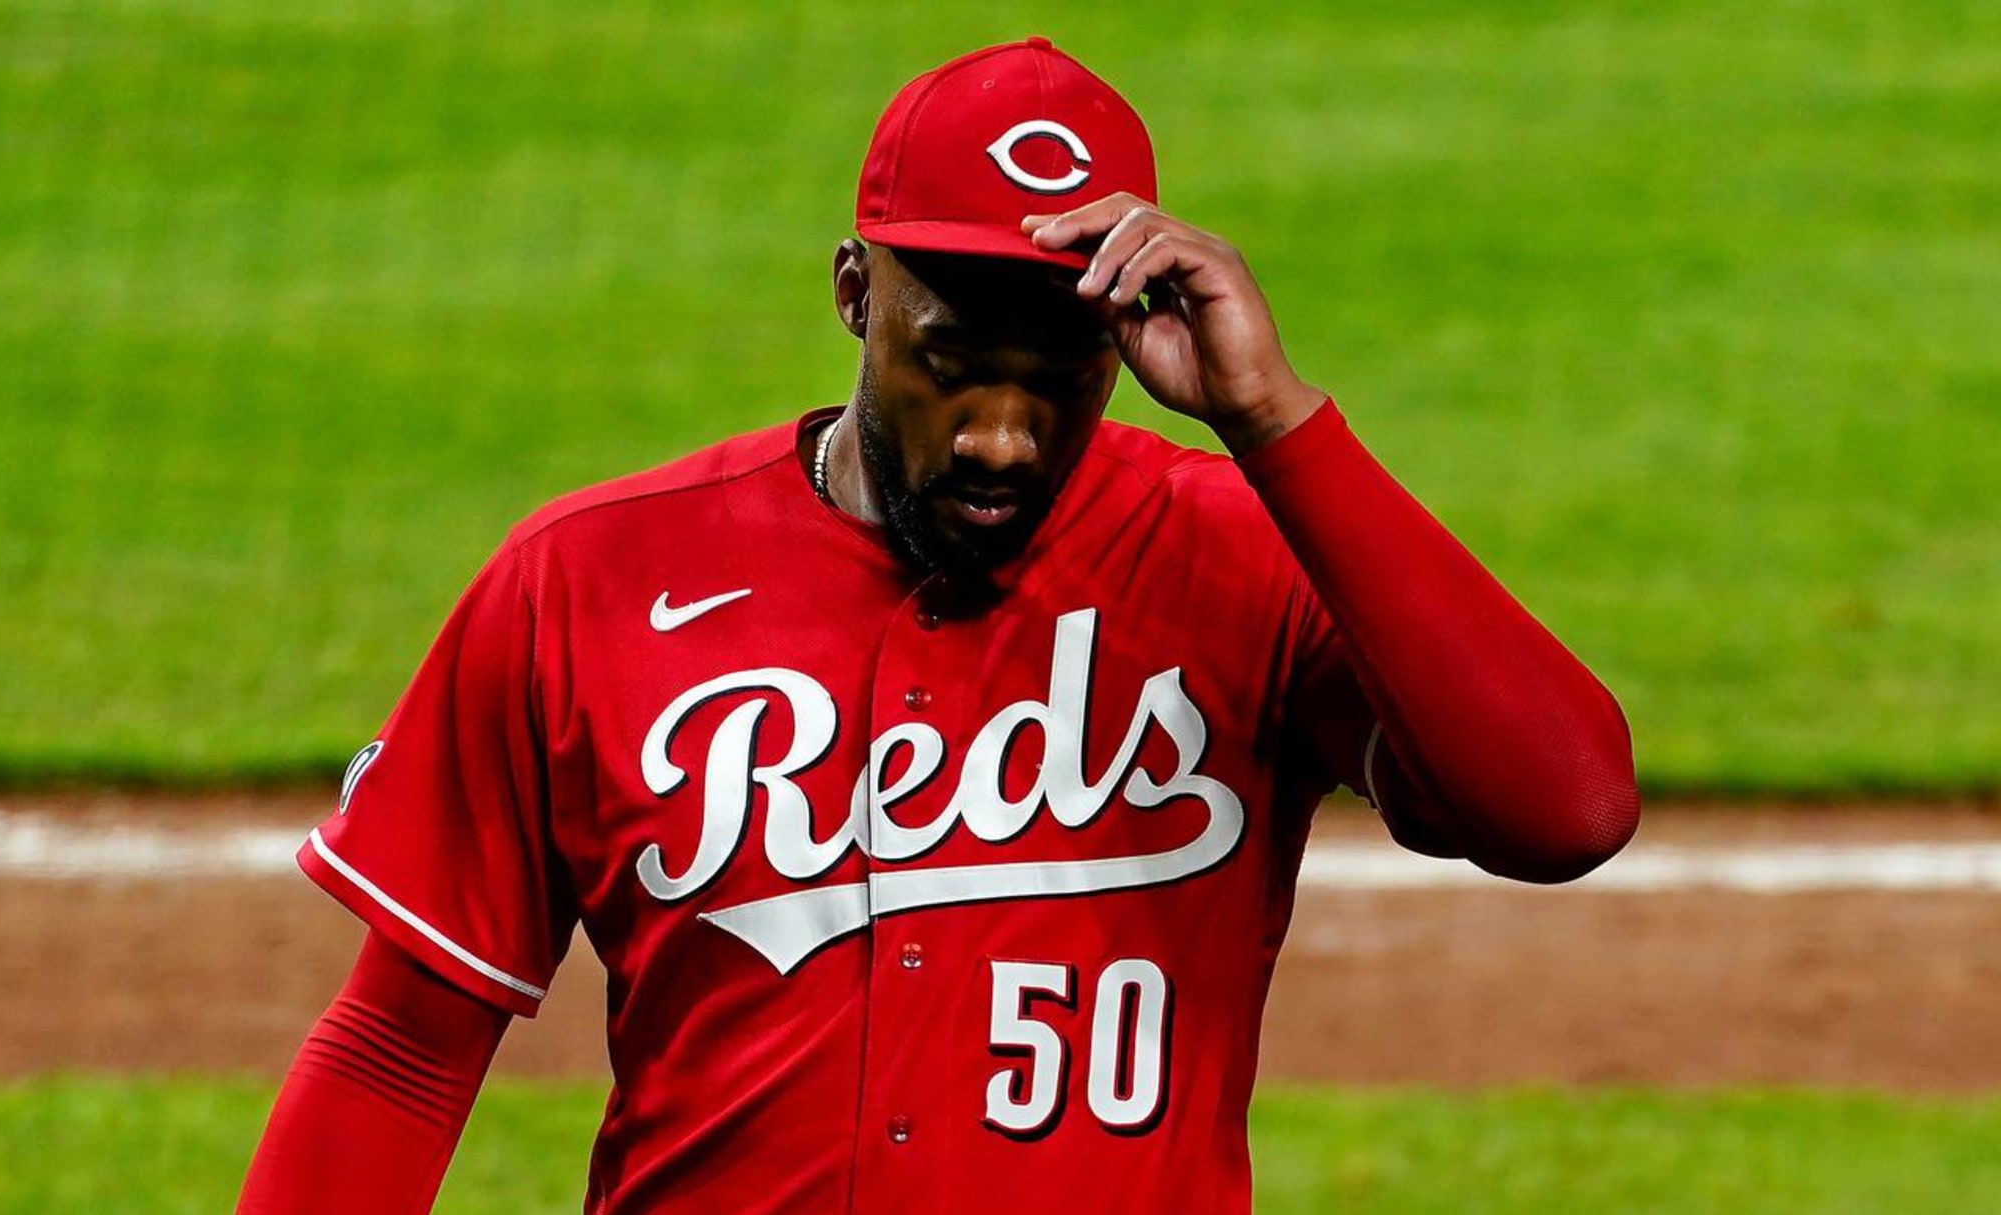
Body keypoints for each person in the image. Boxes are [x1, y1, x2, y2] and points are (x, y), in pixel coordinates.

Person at [236, 36, 1639, 1215]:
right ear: (856, 294)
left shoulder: (1239, 559)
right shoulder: (586, 580)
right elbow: (398, 1050)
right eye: (952, 364)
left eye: (1058, 377)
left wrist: (1275, 424)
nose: (1002, 440)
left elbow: (1562, 808)